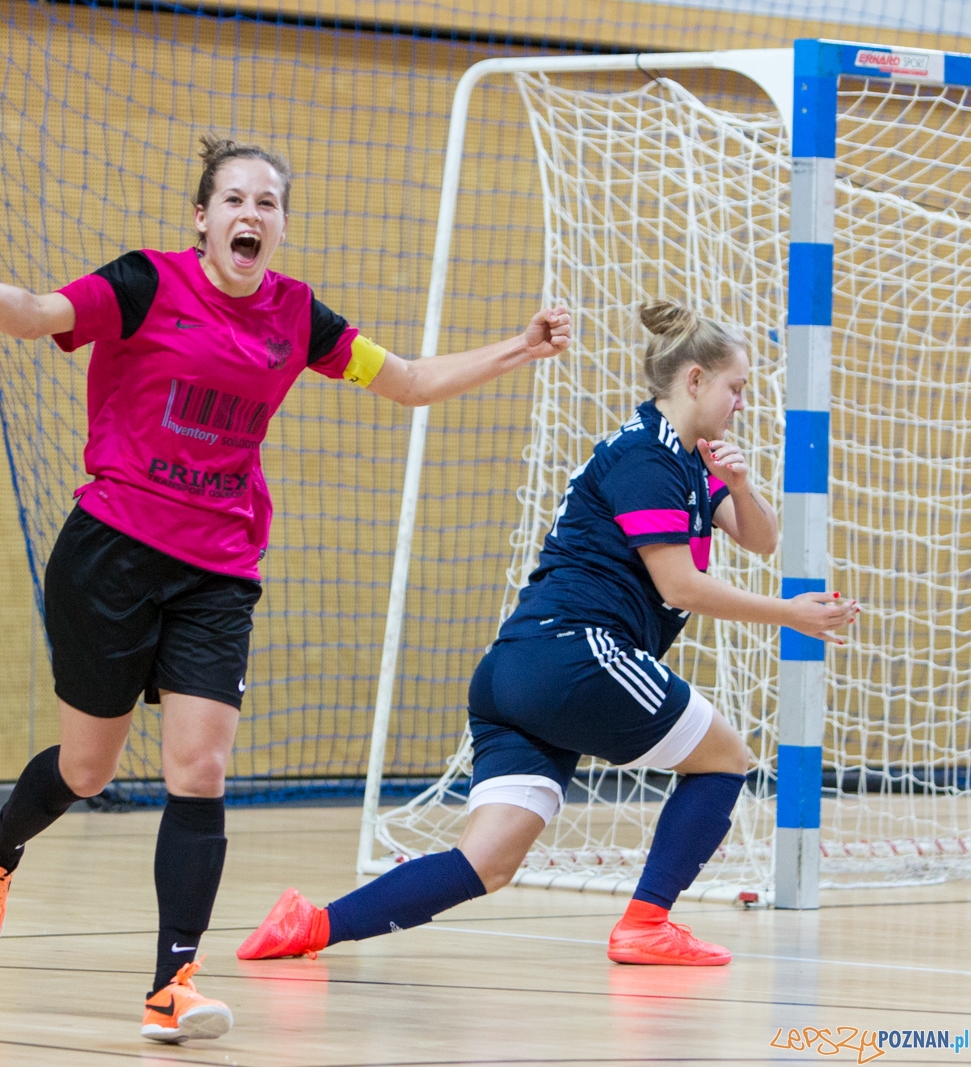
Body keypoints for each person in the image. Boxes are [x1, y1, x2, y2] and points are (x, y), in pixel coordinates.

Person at [0, 132, 571, 1043]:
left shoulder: (297, 316)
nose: (251, 214)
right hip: (110, 553)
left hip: (218, 569)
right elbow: (36, 315)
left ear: (281, 225)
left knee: (200, 768)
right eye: (234, 199)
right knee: (87, 768)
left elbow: (411, 381)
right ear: (203, 217)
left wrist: (521, 346)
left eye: (267, 202)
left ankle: (173, 982)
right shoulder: (143, 282)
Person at [238, 298, 860, 967]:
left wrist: (737, 482)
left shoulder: (684, 459)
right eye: (736, 387)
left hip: (514, 670)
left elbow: (761, 540)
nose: (741, 403)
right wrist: (790, 613)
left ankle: (310, 925)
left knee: (486, 863)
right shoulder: (647, 459)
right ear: (695, 379)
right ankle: (647, 923)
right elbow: (680, 587)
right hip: (577, 653)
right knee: (726, 757)